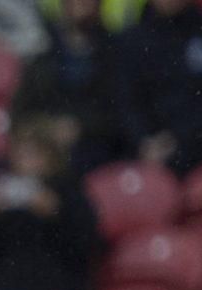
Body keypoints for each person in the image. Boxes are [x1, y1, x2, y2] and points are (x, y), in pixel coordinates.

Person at [0, 120, 99, 290]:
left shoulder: (69, 192)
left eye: (35, 154)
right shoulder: (0, 191)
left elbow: (87, 245)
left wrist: (55, 213)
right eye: (21, 154)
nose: (27, 161)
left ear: (52, 157)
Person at [109, 0, 202, 173]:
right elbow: (126, 102)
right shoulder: (131, 40)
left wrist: (176, 139)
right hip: (147, 150)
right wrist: (145, 140)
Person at [12, 0, 124, 175]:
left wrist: (80, 127)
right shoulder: (42, 51)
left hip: (96, 150)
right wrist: (47, 128)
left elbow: (122, 111)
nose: (81, 5)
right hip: (45, 148)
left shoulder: (116, 53)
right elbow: (21, 109)